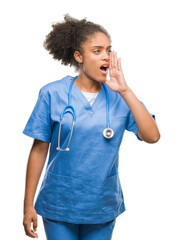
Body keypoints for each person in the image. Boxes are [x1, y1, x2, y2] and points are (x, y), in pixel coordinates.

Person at [22, 13, 160, 240]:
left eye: (108, 50)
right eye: (97, 51)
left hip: (101, 205)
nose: (105, 57)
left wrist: (125, 90)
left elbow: (152, 136)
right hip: (59, 202)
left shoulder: (119, 97)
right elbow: (38, 150)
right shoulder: (52, 93)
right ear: (79, 56)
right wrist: (28, 206)